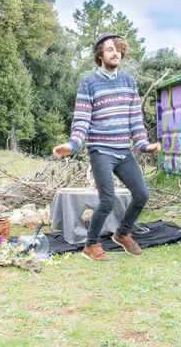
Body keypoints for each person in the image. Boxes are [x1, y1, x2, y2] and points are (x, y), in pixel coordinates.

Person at [53, 33, 161, 262]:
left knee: (142, 194)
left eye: (118, 49)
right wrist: (72, 145)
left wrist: (144, 145)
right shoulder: (88, 82)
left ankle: (122, 233)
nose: (115, 53)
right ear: (99, 54)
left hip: (123, 150)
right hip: (100, 150)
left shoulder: (128, 82)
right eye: (110, 49)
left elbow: (135, 119)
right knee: (108, 199)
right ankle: (90, 245)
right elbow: (82, 119)